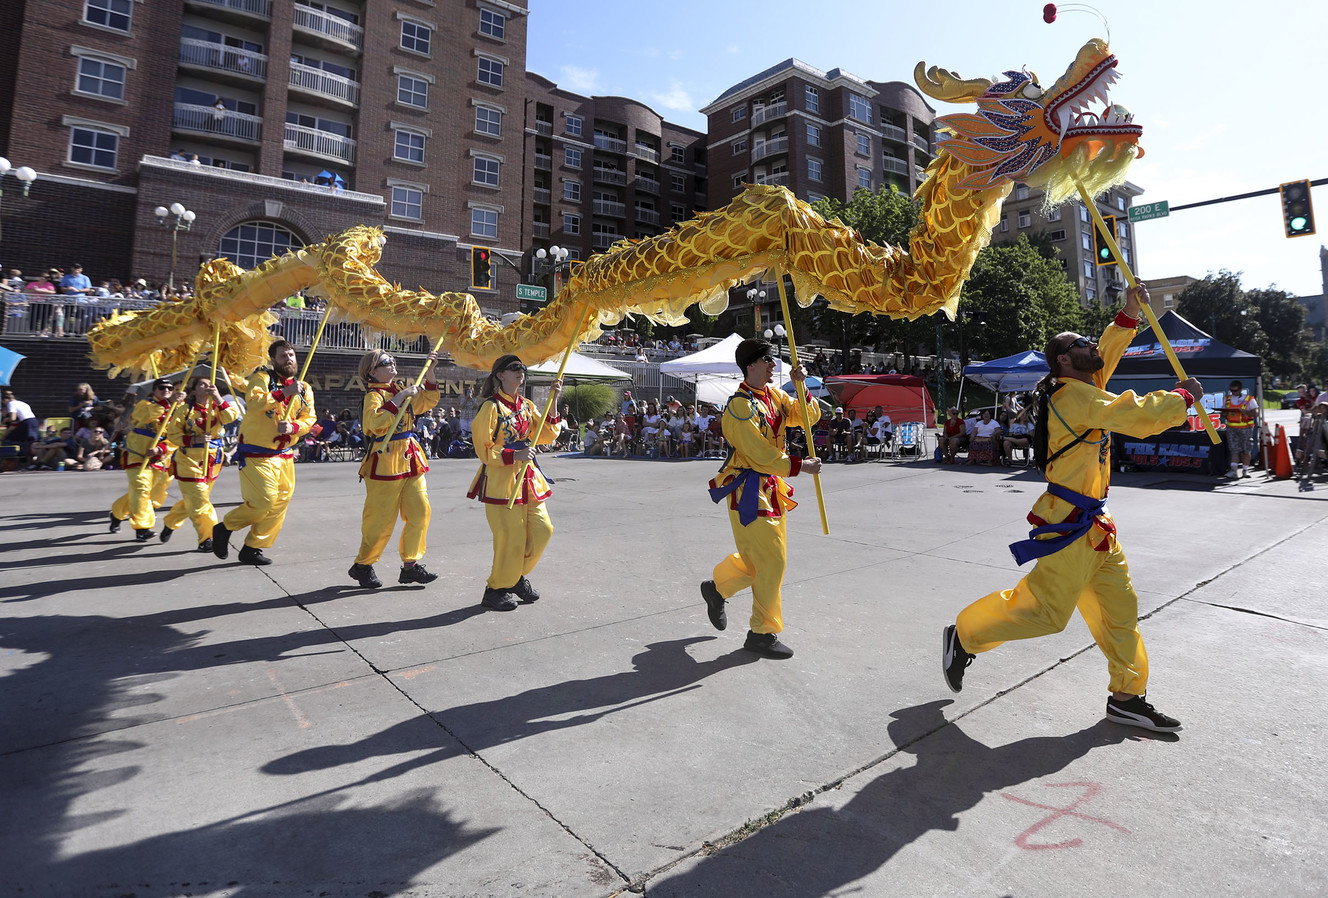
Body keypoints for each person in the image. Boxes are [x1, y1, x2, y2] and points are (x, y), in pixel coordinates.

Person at [942, 283, 1200, 732]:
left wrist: (1128, 315)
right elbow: (1134, 415)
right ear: (1063, 360)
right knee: (1045, 613)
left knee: (1121, 612)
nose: (1088, 346)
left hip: (1098, 525)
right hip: (1069, 523)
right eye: (1078, 344)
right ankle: (964, 635)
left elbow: (1105, 353)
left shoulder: (1084, 384)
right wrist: (1182, 399)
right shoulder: (1075, 396)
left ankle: (1127, 697)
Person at [700, 338, 822, 659]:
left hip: (772, 487)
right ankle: (761, 632)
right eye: (768, 360)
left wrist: (802, 386)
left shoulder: (776, 396)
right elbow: (757, 453)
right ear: (751, 364)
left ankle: (717, 588)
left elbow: (806, 417)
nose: (773, 365)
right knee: (773, 561)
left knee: (762, 562)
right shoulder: (739, 406)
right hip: (748, 488)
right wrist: (799, 465)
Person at [467, 355, 563, 611]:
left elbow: (545, 435)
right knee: (510, 538)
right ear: (500, 375)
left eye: (522, 368)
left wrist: (553, 401)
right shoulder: (490, 407)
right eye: (514, 368)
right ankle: (496, 589)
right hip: (501, 481)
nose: (521, 371)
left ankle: (514, 578)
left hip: (529, 479)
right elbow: (483, 449)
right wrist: (514, 455)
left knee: (543, 530)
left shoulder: (526, 405)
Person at [212, 340, 317, 566]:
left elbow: (310, 418)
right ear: (273, 360)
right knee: (263, 501)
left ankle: (252, 547)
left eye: (291, 355)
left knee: (280, 502)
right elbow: (255, 402)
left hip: (285, 454)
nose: (288, 359)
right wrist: (282, 393)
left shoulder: (305, 387)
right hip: (257, 452)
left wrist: (295, 428)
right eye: (282, 356)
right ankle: (225, 527)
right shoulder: (263, 379)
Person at [346, 350, 441, 589]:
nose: (392, 364)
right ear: (372, 371)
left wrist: (430, 369)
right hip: (384, 461)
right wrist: (399, 399)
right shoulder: (374, 396)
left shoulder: (398, 389)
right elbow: (374, 424)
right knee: (379, 520)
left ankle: (410, 565)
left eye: (392, 361)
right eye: (387, 362)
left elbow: (427, 401)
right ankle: (363, 565)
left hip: (410, 457)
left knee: (420, 512)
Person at [160, 375, 239, 550]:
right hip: (189, 460)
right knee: (200, 501)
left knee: (195, 500)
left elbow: (231, 417)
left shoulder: (217, 408)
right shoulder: (184, 410)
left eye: (209, 384)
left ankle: (170, 522)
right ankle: (207, 538)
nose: (207, 386)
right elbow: (173, 435)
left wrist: (218, 397)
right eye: (202, 384)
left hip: (212, 460)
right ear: (194, 390)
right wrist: (194, 439)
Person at [109, 379, 179, 539]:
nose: (166, 390)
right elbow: (146, 417)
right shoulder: (144, 405)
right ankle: (142, 528)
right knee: (141, 489)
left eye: (170, 388)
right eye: (162, 388)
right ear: (154, 390)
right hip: (137, 454)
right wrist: (165, 404)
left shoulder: (176, 409)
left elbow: (176, 436)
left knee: (146, 493)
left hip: (159, 458)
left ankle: (116, 513)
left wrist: (161, 449)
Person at [1220, 379, 1259, 478]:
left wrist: (1245, 412)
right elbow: (1224, 413)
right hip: (1231, 428)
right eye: (1231, 390)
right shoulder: (1228, 399)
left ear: (1240, 389)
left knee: (1246, 450)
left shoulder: (1249, 399)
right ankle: (1233, 471)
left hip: (1245, 428)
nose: (1233, 392)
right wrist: (1224, 413)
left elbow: (1256, 413)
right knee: (1234, 450)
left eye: (1235, 390)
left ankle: (1245, 470)